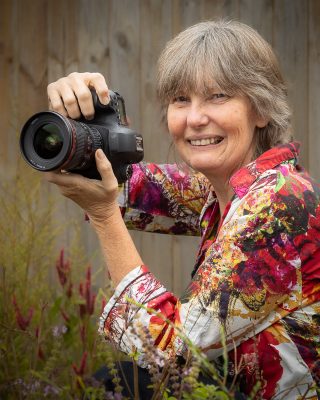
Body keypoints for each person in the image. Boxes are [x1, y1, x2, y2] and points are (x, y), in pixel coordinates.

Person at [45, 20, 319, 399]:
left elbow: (172, 351)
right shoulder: (225, 186)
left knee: (125, 383)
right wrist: (77, 123)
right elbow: (121, 184)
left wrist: (106, 217)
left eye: (218, 96)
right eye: (180, 99)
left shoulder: (279, 204)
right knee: (119, 382)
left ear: (261, 110)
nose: (194, 118)